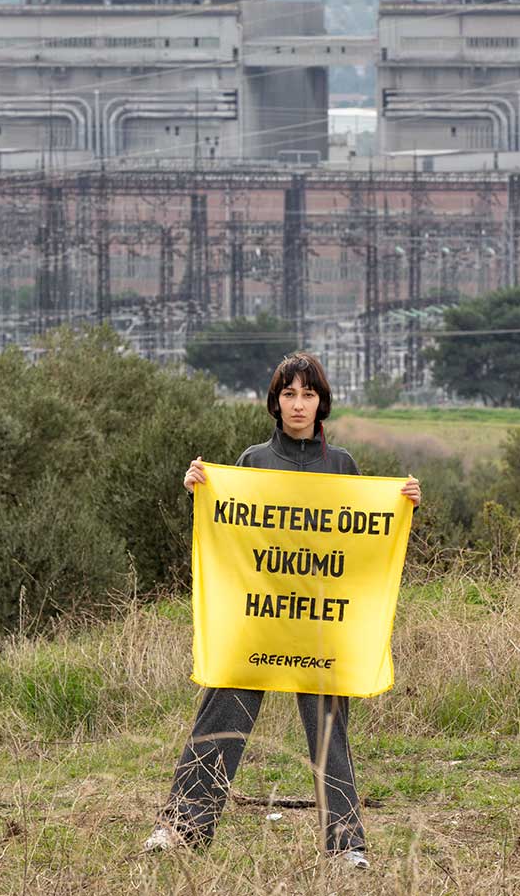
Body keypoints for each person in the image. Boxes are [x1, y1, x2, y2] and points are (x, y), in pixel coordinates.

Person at [145, 352, 421, 866]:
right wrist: (199, 492)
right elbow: (234, 533)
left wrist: (402, 503)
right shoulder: (252, 461)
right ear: (275, 402)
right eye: (289, 394)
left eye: (308, 394)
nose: (299, 404)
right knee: (221, 712)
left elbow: (361, 545)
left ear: (322, 403)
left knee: (328, 730)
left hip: (321, 626)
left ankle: (345, 846)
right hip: (259, 621)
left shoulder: (343, 466)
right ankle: (182, 828)